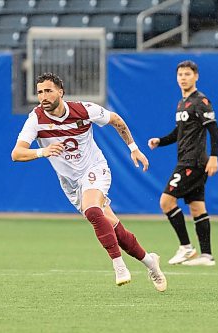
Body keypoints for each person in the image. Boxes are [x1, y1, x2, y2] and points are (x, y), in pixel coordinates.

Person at [11, 72, 167, 292]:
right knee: (113, 227)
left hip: (95, 169)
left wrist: (134, 149)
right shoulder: (36, 119)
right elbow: (16, 154)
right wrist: (43, 151)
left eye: (48, 91)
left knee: (92, 210)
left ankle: (118, 265)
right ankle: (150, 262)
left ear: (60, 92)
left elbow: (116, 120)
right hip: (70, 183)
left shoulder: (84, 110)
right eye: (39, 92)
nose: (43, 96)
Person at [148, 60, 218, 266]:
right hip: (187, 159)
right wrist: (160, 141)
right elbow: (179, 133)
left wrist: (214, 157)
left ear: (196, 76)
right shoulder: (182, 102)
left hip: (193, 161)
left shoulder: (200, 101)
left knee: (166, 201)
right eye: (180, 74)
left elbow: (214, 129)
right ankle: (206, 256)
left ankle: (186, 247)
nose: (183, 78)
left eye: (187, 74)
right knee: (197, 208)